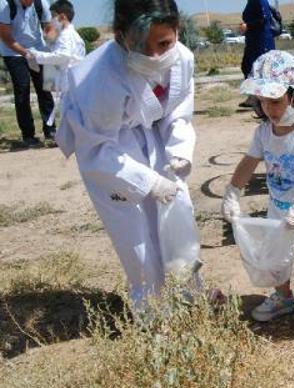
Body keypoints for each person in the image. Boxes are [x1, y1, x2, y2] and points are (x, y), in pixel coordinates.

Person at [55, 0, 200, 313]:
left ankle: (186, 292)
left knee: (177, 206)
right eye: (142, 46)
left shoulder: (183, 59)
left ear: (178, 29)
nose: (155, 56)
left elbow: (178, 111)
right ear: (120, 36)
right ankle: (152, 308)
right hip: (109, 144)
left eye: (164, 43)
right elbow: (97, 149)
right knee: (134, 228)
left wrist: (179, 150)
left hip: (151, 131)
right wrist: (147, 181)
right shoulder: (102, 79)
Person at [221, 50, 294, 326]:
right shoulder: (263, 133)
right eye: (262, 101)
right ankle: (283, 297)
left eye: (275, 100)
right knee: (276, 257)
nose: (269, 109)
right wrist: (233, 191)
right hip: (279, 209)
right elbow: (249, 162)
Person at [25, 0, 84, 145]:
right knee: (72, 111)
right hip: (73, 78)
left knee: (70, 111)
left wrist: (37, 56)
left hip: (70, 79)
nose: (51, 20)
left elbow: (62, 56)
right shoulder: (71, 34)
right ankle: (72, 138)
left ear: (62, 17)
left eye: (53, 16)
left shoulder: (65, 35)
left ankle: (74, 139)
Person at [0, 0, 55, 148]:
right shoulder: (5, 5)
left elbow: (48, 27)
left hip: (38, 49)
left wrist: (54, 46)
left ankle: (51, 130)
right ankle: (28, 135)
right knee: (22, 90)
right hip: (13, 51)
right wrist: (25, 53)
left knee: (46, 89)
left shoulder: (41, 3)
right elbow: (5, 36)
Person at [238, 0, 275, 108]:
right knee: (247, 67)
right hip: (253, 41)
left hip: (261, 42)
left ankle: (264, 99)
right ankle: (254, 97)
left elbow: (263, 19)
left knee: (262, 69)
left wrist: (248, 26)